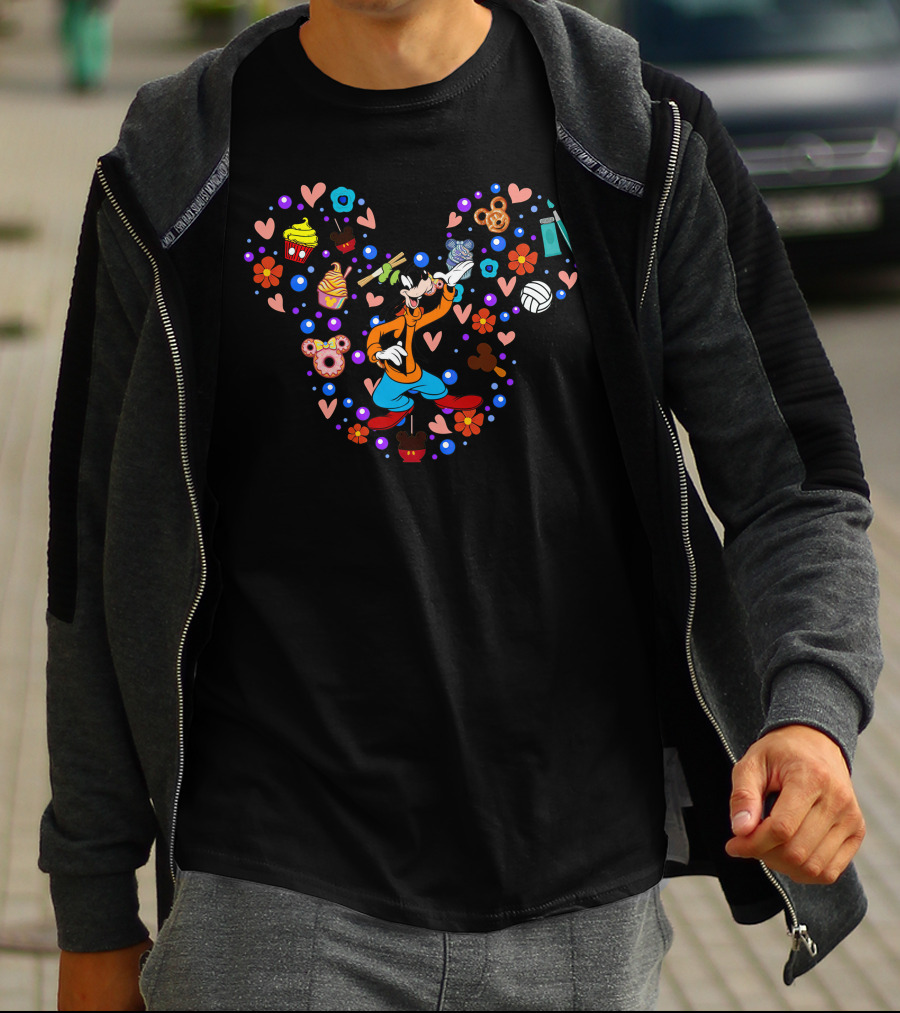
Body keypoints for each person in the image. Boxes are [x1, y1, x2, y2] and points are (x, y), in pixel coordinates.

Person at [41, 1, 880, 1010]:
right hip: (270, 891)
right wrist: (93, 908)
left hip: (582, 897)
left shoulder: (637, 135)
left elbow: (796, 480)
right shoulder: (174, 166)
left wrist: (813, 715)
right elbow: (90, 558)